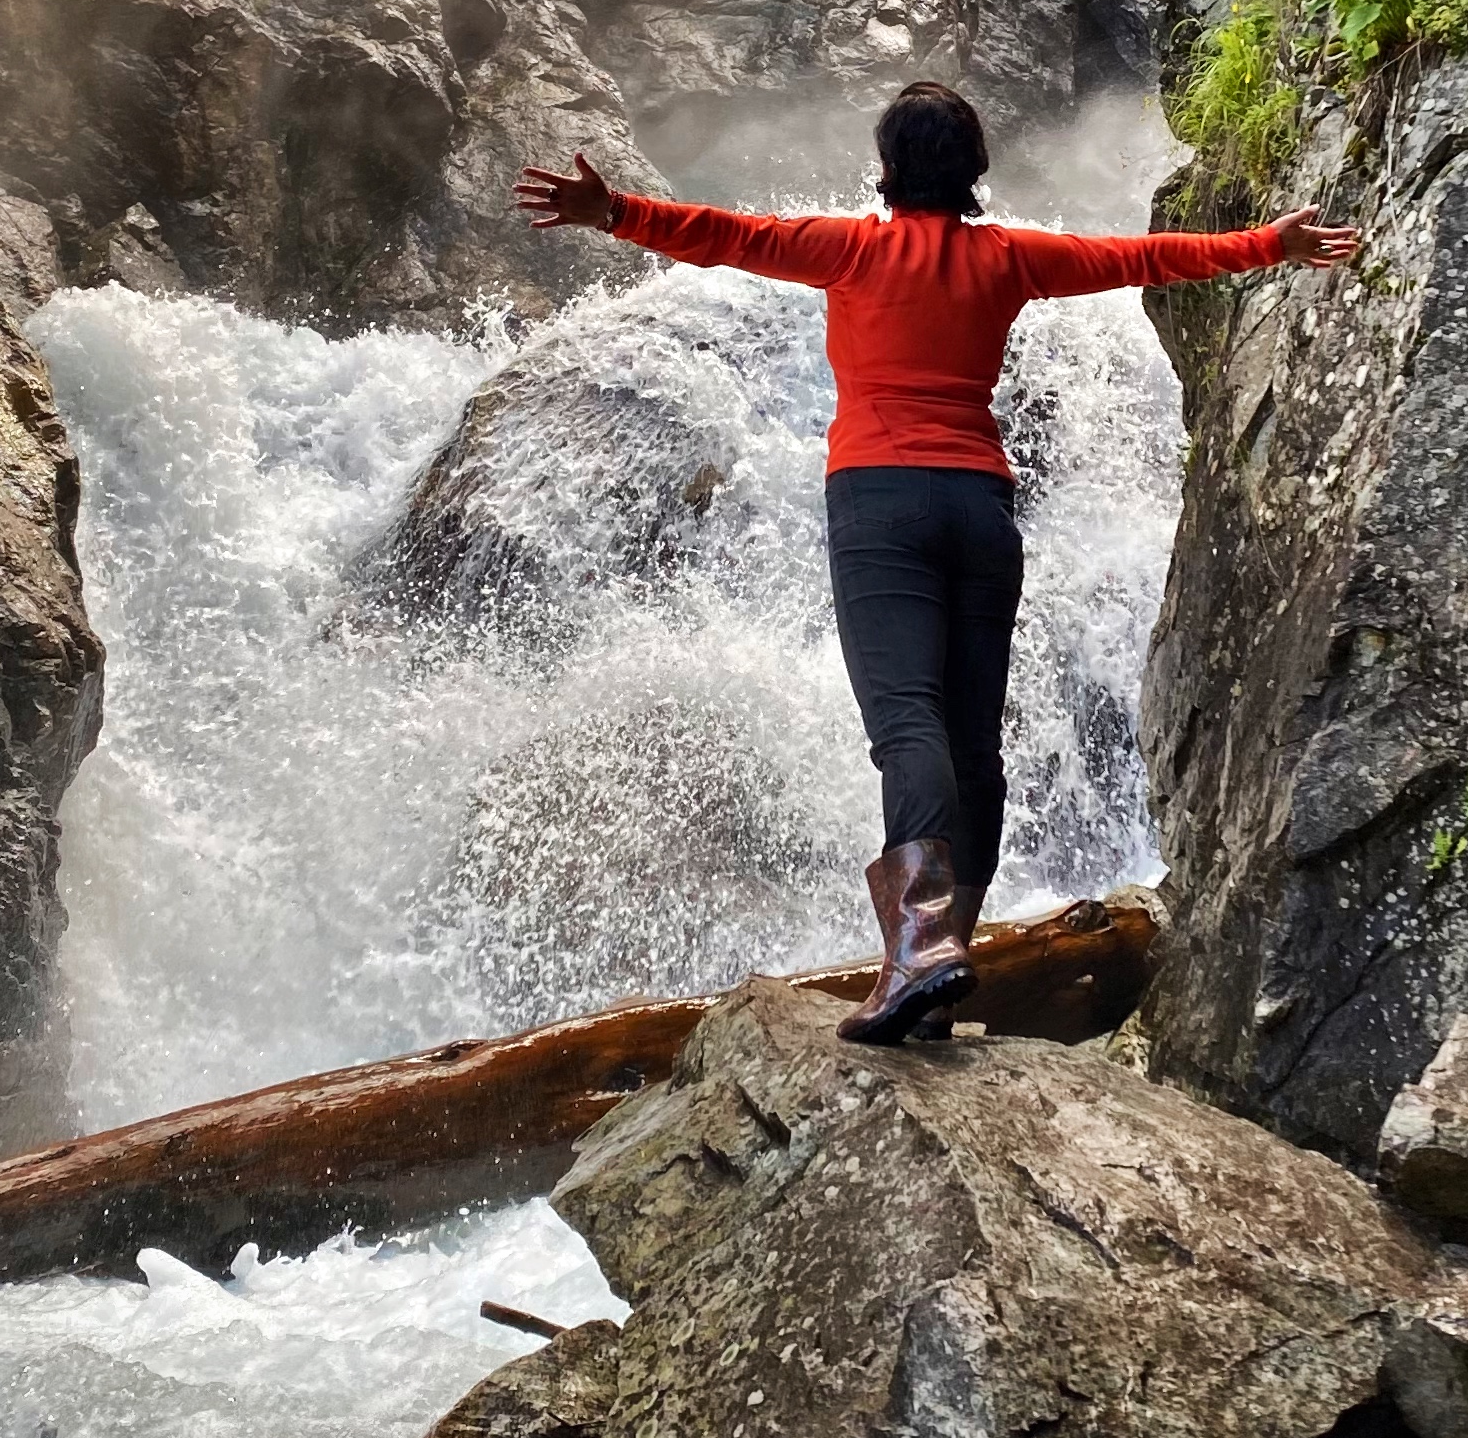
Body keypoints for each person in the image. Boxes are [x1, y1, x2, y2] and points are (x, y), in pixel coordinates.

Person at [514, 81, 1359, 1045]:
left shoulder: (848, 246)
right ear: (975, 172)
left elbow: (723, 234)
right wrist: (1274, 244)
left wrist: (611, 211)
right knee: (973, 741)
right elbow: (1143, 257)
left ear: (886, 168)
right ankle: (944, 945)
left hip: (879, 505)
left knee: (905, 725)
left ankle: (919, 950)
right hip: (980, 507)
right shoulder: (1011, 256)